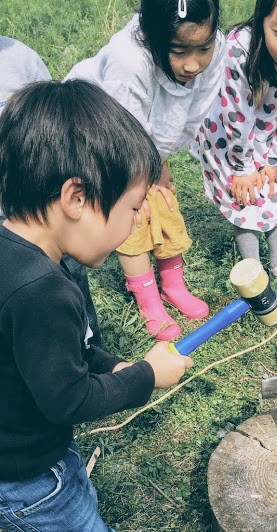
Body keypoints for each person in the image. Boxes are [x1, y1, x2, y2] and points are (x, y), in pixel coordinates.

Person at [0, 79, 201, 532]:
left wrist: (108, 362)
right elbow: (66, 397)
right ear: (77, 197)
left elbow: (66, 354)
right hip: (26, 468)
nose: (135, 226)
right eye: (133, 208)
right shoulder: (39, 291)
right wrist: (143, 375)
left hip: (28, 454)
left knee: (73, 513)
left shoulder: (37, 256)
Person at [67, 0, 226, 340]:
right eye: (179, 50)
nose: (193, 64)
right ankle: (148, 298)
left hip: (145, 148)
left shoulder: (215, 48)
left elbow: (192, 112)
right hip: (100, 145)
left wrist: (161, 161)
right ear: (153, 37)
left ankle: (172, 284)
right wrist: (136, 185)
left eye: (203, 49)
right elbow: (119, 134)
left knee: (165, 204)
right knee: (133, 221)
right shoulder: (129, 63)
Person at [193, 0, 277, 289]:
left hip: (267, 128)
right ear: (261, 20)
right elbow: (236, 113)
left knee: (271, 187)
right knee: (244, 196)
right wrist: (243, 168)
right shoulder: (239, 49)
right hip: (226, 133)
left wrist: (275, 159)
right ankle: (253, 271)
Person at [0, 35, 103, 346]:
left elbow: (54, 123)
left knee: (70, 279)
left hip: (42, 204)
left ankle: (90, 350)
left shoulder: (20, 58)